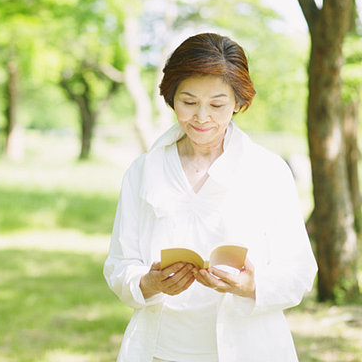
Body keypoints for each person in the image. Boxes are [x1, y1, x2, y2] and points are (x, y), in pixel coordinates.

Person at [103, 33, 317, 362]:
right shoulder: (144, 170)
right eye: (189, 103)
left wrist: (251, 286)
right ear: (171, 98)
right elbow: (120, 264)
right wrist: (150, 282)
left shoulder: (268, 171)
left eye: (217, 105)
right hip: (162, 349)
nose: (202, 117)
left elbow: (299, 271)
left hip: (250, 347)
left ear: (239, 103)